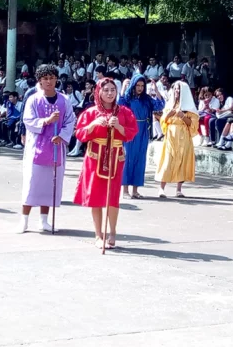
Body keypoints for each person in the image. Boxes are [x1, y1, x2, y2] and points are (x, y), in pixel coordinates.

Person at [74, 78, 138, 249]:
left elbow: (131, 133)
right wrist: (94, 125)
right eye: (106, 90)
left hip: (116, 156)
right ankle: (97, 234)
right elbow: (80, 134)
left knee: (113, 195)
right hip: (95, 156)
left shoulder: (124, 112)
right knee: (96, 195)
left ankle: (113, 231)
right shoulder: (90, 113)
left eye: (112, 90)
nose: (110, 93)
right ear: (99, 92)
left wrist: (119, 127)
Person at [18, 64, 76, 233]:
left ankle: (44, 220)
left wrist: (63, 136)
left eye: (51, 78)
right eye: (45, 79)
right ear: (40, 81)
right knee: (32, 182)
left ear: (56, 79)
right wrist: (46, 121)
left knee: (51, 184)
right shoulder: (33, 99)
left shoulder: (64, 100)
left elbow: (70, 121)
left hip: (56, 147)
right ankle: (24, 219)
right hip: (37, 146)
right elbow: (28, 120)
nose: (49, 81)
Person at [154, 81, 199, 197]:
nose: (176, 91)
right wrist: (168, 116)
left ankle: (179, 189)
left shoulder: (189, 107)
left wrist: (183, 117)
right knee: (167, 161)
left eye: (179, 89)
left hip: (184, 136)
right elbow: (164, 121)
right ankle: (161, 188)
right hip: (171, 136)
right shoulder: (170, 105)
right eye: (175, 89)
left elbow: (193, 125)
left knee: (182, 161)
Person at [118, 75, 152, 199]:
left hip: (143, 130)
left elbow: (159, 105)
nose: (140, 88)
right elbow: (119, 106)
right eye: (138, 85)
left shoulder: (146, 99)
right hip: (130, 129)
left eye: (142, 86)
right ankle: (125, 190)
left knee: (140, 159)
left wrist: (156, 91)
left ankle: (135, 190)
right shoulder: (127, 98)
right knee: (128, 158)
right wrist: (123, 89)